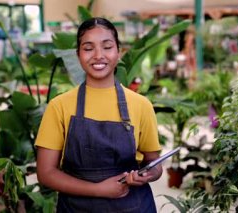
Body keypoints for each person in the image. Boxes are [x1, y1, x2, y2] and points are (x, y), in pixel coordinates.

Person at [35, 17, 162, 212]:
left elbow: (154, 164)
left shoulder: (141, 105)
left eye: (107, 47)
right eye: (88, 48)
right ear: (78, 55)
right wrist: (98, 190)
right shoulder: (59, 106)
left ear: (118, 52)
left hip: (133, 205)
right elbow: (46, 173)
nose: (98, 55)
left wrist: (148, 174)